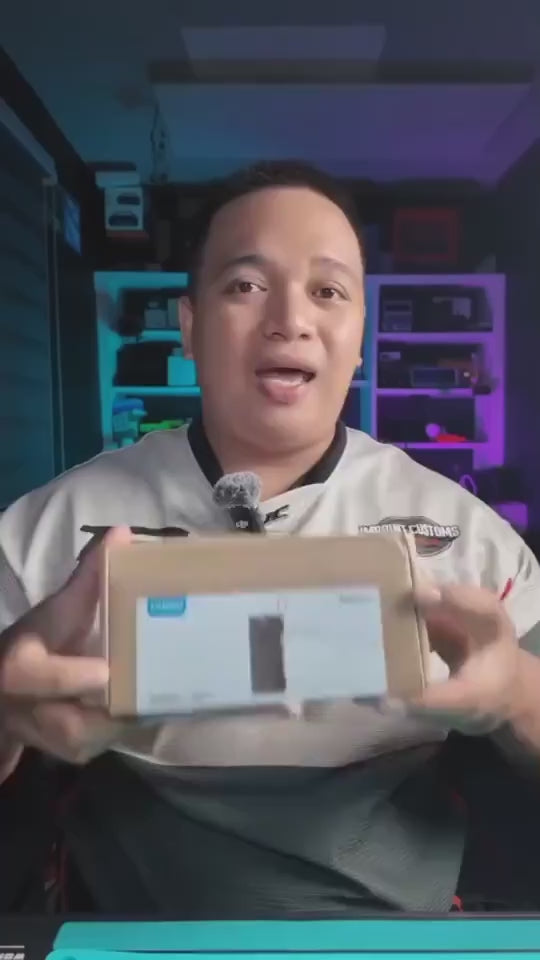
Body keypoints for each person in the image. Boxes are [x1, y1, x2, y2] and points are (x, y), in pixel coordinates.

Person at [1, 160, 540, 917]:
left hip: (395, 941)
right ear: (189, 326)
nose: (290, 319)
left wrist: (513, 693)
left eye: (329, 291)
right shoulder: (46, 531)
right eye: (246, 285)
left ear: (359, 339)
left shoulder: (470, 540)